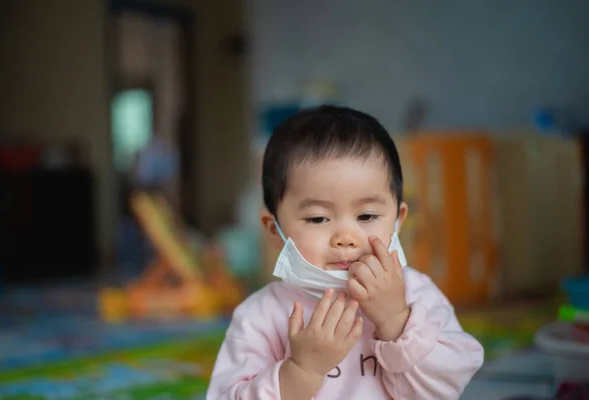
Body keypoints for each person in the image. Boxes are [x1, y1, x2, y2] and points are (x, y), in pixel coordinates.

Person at [207, 105, 484, 399]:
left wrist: (396, 321)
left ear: (398, 220)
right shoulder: (260, 316)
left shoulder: (416, 293)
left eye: (366, 216)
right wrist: (301, 371)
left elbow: (450, 383)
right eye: (317, 219)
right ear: (276, 230)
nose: (346, 238)